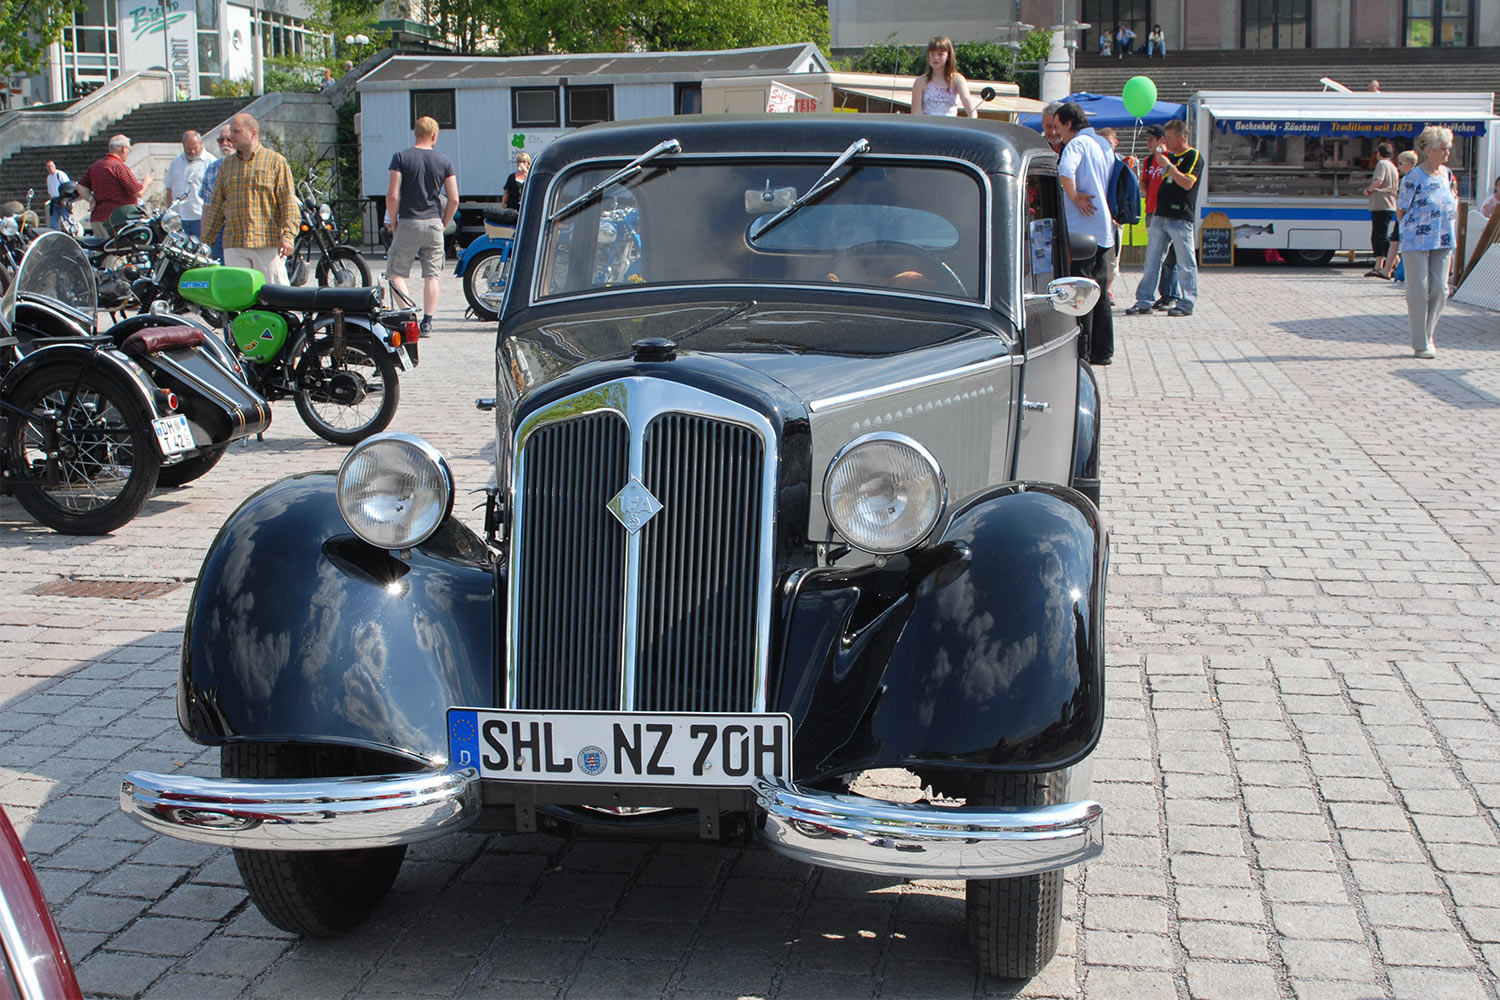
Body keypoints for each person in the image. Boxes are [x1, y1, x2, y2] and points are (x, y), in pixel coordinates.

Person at [201, 113, 298, 285]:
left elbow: (288, 204)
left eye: (236, 132)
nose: (231, 137)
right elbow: (216, 207)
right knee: (241, 298)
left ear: (253, 132)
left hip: (266, 242)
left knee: (276, 297)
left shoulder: (275, 162)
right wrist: (206, 243)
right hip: (235, 244)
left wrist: (288, 236)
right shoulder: (226, 166)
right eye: (231, 131)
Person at [386, 115, 458, 337]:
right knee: (432, 275)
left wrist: (394, 220)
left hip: (409, 220)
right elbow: (454, 198)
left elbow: (393, 194)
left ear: (415, 133)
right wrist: (444, 223)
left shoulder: (401, 158)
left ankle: (409, 316)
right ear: (434, 136)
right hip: (435, 223)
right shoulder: (444, 161)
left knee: (395, 273)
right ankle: (428, 322)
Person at [1054, 101, 1115, 365]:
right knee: (1099, 289)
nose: (1057, 133)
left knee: (1082, 290)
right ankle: (1104, 350)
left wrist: (1075, 195)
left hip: (1082, 228)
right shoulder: (1102, 144)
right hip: (1102, 227)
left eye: (1058, 127)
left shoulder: (1076, 144)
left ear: (1069, 124)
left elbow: (1065, 171)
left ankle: (1084, 349)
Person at [1125, 118, 1201, 318]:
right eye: (1165, 137)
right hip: (1160, 214)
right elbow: (1150, 185)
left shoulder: (1192, 156)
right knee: (1152, 261)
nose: (1166, 141)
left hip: (1180, 216)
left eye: (1169, 137)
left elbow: (1187, 183)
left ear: (1182, 137)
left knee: (1185, 262)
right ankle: (1144, 301)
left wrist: (1168, 166)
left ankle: (1187, 303)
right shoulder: (1166, 157)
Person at [1397, 126, 1458, 359]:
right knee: (1419, 289)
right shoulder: (1414, 177)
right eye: (1443, 149)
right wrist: (1407, 233)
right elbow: (1401, 208)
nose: (1446, 153)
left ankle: (1428, 333)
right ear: (1430, 150)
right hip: (1417, 239)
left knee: (1440, 288)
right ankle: (1420, 342)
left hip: (1443, 238)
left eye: (1448, 149)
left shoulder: (1448, 174)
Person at [1136, 125, 1182, 310]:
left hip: (1170, 214)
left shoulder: (1170, 159)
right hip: (1152, 213)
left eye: (1151, 140)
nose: (1148, 143)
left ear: (1162, 140)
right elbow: (1145, 186)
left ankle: (1171, 295)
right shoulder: (1148, 161)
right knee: (1156, 257)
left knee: (1171, 257)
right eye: (1147, 140)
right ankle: (1156, 295)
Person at [76, 135, 152, 238]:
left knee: (104, 252)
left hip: (97, 218)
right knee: (119, 252)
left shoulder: (97, 165)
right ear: (124, 149)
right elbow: (138, 192)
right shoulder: (118, 167)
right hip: (116, 220)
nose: (129, 152)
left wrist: (90, 199)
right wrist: (146, 181)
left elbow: (80, 186)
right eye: (129, 149)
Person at [164, 130, 216, 239]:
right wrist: (170, 212)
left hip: (200, 217)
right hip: (178, 219)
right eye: (188, 149)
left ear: (201, 144)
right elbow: (169, 188)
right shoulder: (177, 161)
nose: (192, 151)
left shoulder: (211, 162)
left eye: (195, 148)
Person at [909, 36, 977, 118]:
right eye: (932, 54)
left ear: (948, 56)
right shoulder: (920, 82)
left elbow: (970, 107)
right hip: (928, 127)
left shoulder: (958, 80)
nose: (936, 58)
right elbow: (916, 114)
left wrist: (971, 121)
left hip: (950, 128)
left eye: (940, 54)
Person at [1377, 150, 1419, 281]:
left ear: (1410, 164)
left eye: (1401, 163)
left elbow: (1405, 200)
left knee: (1398, 242)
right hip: (1408, 215)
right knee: (1394, 241)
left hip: (1406, 216)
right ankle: (1388, 269)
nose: (1399, 166)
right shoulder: (1415, 176)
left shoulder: (1409, 178)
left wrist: (1400, 217)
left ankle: (1391, 270)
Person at [1362, 142, 1398, 278]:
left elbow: (1378, 180)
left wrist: (1368, 190)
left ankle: (1395, 263)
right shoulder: (1393, 166)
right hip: (1389, 205)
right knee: (1379, 235)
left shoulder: (1382, 164)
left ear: (1378, 153)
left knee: (1380, 236)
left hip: (1381, 204)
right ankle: (1379, 266)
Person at [198, 132, 235, 259]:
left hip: (238, 232)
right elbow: (207, 206)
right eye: (220, 140)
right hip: (218, 232)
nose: (225, 144)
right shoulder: (212, 168)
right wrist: (204, 239)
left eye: (229, 139)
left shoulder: (246, 166)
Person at [44, 160, 71, 230]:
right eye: (48, 167)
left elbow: (68, 187)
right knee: (53, 223)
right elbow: (50, 192)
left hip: (62, 199)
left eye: (51, 166)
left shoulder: (60, 174)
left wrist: (65, 199)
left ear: (54, 166)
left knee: (66, 220)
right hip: (54, 200)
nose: (50, 168)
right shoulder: (48, 178)